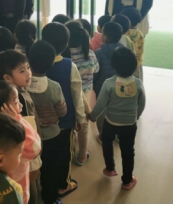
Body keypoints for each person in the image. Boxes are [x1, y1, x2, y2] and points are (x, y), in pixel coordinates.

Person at [89, 46, 145, 190]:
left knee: (107, 143)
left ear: (113, 65)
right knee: (128, 151)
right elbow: (142, 103)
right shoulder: (138, 84)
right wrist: (137, 115)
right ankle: (127, 180)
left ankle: (110, 168)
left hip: (110, 122)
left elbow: (101, 104)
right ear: (134, 65)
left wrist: (93, 116)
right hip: (129, 124)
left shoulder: (109, 83)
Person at [41, 22, 86, 199]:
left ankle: (45, 183)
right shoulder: (69, 65)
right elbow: (77, 95)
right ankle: (63, 184)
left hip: (42, 120)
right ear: (66, 44)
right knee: (65, 153)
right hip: (65, 121)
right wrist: (81, 118)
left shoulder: (36, 63)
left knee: (46, 153)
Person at [26, 40, 68, 205]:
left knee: (31, 167)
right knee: (50, 169)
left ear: (29, 61)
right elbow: (62, 111)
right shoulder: (54, 87)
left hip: (30, 136)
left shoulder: (23, 85)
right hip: (52, 135)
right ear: (51, 63)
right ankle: (50, 198)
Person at [65, 21, 99, 166]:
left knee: (69, 121)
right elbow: (96, 69)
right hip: (86, 93)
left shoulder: (66, 56)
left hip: (69, 94)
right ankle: (83, 155)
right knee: (84, 126)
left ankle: (70, 145)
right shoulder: (90, 54)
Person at [93, 22, 124, 142]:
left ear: (105, 37)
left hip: (102, 88)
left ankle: (103, 135)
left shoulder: (99, 53)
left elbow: (95, 73)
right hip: (121, 86)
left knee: (102, 112)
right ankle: (119, 134)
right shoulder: (125, 51)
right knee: (119, 110)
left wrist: (94, 85)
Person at [121, 7, 145, 81]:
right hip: (138, 63)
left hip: (127, 65)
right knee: (137, 83)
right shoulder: (140, 33)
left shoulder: (125, 34)